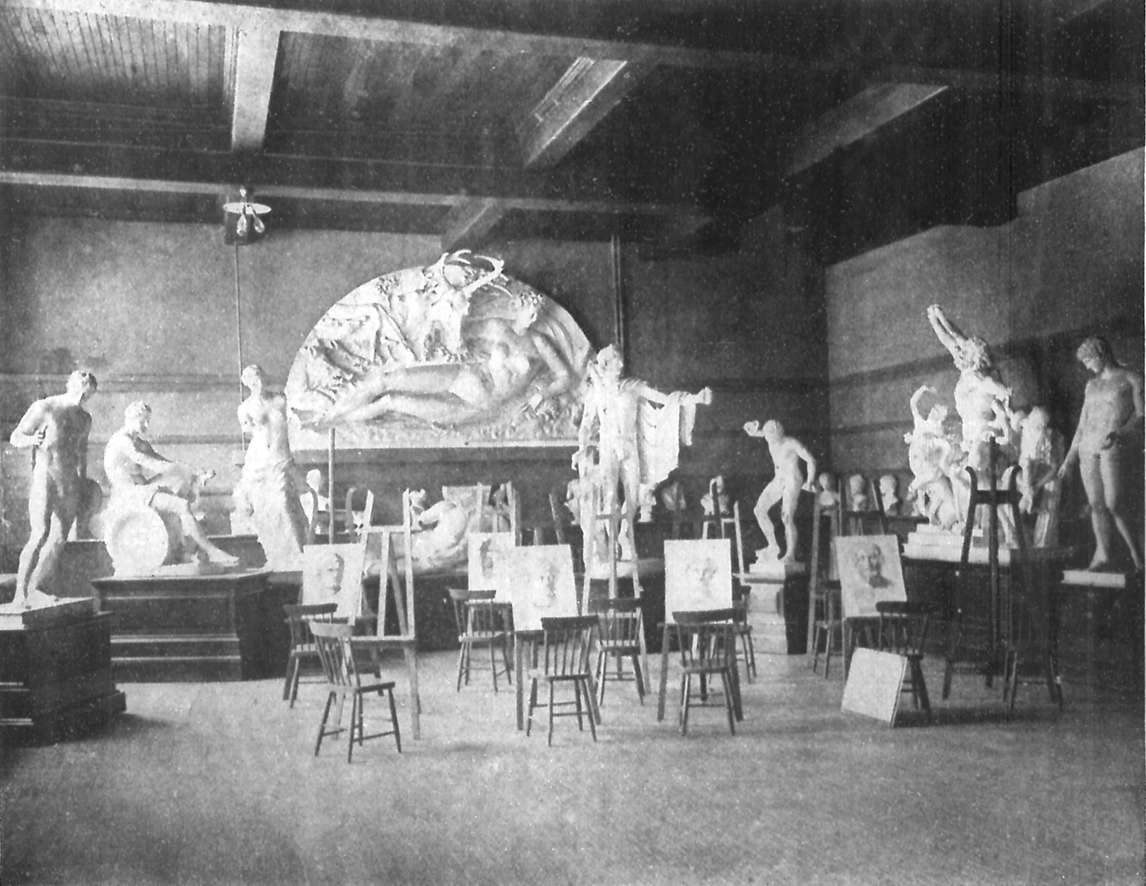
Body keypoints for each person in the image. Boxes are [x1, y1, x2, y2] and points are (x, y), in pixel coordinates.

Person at [303, 290, 574, 430]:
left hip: (483, 401)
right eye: (530, 311)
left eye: (538, 313)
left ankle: (331, 420)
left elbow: (565, 377)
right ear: (517, 308)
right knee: (387, 380)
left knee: (392, 402)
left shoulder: (539, 344)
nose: (534, 318)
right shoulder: (495, 327)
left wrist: (542, 393)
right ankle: (328, 415)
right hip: (467, 376)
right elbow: (454, 331)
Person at [573, 345, 711, 577]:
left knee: (635, 496)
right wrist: (581, 448)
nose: (621, 365)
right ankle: (613, 545)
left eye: (621, 361)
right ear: (605, 364)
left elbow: (665, 400)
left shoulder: (633, 387)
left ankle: (624, 534)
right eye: (616, 361)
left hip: (630, 447)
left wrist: (694, 398)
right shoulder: (595, 392)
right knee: (610, 498)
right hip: (608, 448)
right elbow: (586, 424)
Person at [103, 401, 240, 569]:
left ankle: (184, 548)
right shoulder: (122, 441)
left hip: (141, 490)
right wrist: (179, 470)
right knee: (181, 505)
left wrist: (195, 471)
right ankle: (210, 550)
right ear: (131, 418)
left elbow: (165, 461)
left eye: (148, 420)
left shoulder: (139, 442)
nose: (147, 425)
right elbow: (147, 462)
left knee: (178, 481)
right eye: (143, 420)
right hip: (128, 494)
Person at [7, 370, 97, 607]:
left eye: (87, 395)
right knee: (39, 534)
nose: (82, 398)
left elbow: (82, 454)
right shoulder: (44, 407)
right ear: (71, 386)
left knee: (58, 539)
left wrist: (83, 485)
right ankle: (19, 595)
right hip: (45, 476)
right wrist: (31, 441)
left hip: (69, 482)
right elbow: (16, 436)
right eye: (80, 391)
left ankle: (35, 588)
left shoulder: (85, 419)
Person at [1057, 336, 1144, 571]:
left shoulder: (1131, 378)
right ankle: (1102, 553)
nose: (1086, 366)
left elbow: (1141, 416)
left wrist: (1121, 433)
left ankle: (1139, 557)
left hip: (1112, 445)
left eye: (1088, 359)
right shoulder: (1091, 385)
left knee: (1115, 503)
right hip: (1087, 447)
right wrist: (1069, 460)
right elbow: (1082, 424)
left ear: (1101, 354)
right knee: (1096, 504)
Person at [234, 365, 311, 570]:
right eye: (252, 381)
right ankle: (277, 556)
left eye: (259, 378)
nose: (257, 383)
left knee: (284, 501)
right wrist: (253, 424)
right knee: (265, 509)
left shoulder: (280, 400)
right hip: (259, 460)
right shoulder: (244, 408)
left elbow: (295, 420)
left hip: (280, 458)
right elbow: (248, 431)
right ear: (247, 384)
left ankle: (297, 554)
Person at [926, 304, 1016, 478]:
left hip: (982, 432)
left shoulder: (982, 378)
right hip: (968, 432)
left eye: (965, 351)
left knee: (970, 471)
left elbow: (1003, 393)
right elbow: (950, 338)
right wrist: (936, 319)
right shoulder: (966, 372)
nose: (960, 351)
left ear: (975, 356)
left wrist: (1004, 396)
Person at [743, 419, 816, 563]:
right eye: (767, 436)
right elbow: (754, 432)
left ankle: (790, 554)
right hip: (779, 479)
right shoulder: (769, 438)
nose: (769, 439)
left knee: (787, 517)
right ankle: (773, 546)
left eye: (772, 436)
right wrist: (749, 427)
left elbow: (811, 460)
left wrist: (810, 481)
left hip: (792, 479)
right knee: (759, 510)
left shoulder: (790, 443)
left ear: (779, 434)